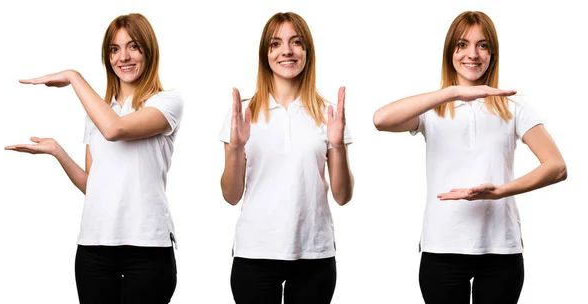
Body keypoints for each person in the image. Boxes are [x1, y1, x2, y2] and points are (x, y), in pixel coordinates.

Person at [373, 10, 567, 304]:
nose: (472, 54)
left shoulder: (514, 106)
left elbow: (556, 166)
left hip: (501, 250)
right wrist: (451, 92)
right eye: (462, 45)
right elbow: (381, 119)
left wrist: (500, 191)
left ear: (493, 53)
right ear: (450, 52)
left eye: (483, 45)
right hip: (442, 249)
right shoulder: (433, 109)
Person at [5, 13, 182, 304]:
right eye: (114, 49)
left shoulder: (167, 103)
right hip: (93, 250)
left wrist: (74, 77)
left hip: (147, 248)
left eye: (133, 46)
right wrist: (58, 152)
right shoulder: (97, 112)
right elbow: (93, 184)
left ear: (149, 51)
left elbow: (115, 129)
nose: (123, 57)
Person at [219, 12, 354, 304]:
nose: (287, 51)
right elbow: (231, 195)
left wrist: (338, 145)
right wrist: (234, 147)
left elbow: (342, 196)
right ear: (265, 54)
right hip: (254, 253)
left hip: (314, 255)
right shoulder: (242, 114)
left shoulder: (329, 114)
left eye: (296, 42)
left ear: (307, 52)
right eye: (276, 44)